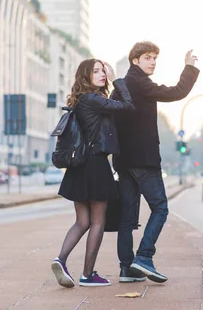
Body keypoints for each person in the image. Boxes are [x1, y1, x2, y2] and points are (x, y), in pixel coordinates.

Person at [113, 41, 199, 283]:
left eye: (154, 58)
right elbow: (175, 93)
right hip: (143, 159)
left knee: (127, 218)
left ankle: (126, 269)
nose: (152, 62)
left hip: (123, 160)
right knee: (160, 208)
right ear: (135, 60)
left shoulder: (121, 85)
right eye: (147, 57)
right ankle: (144, 257)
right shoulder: (140, 83)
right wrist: (189, 68)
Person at [51, 59, 135, 288]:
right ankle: (87, 274)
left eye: (102, 71)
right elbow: (128, 106)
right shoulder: (94, 100)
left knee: (82, 221)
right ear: (85, 77)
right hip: (96, 165)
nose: (101, 74)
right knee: (98, 220)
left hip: (79, 168)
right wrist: (117, 78)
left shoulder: (81, 100)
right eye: (96, 71)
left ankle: (61, 259)